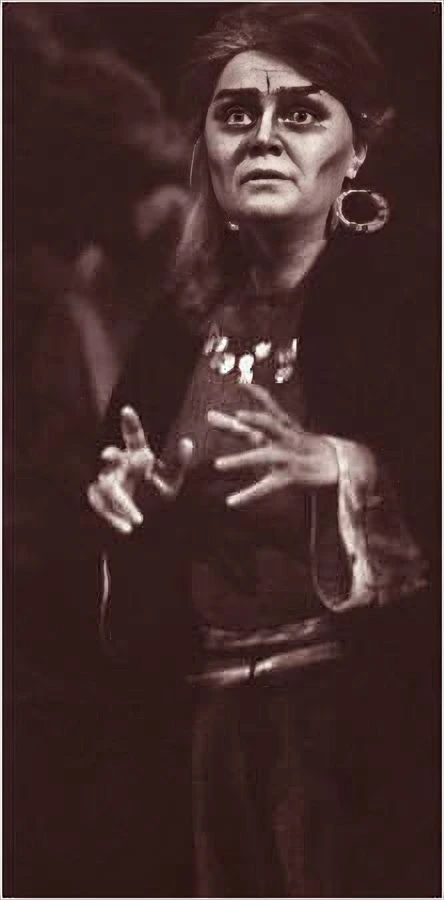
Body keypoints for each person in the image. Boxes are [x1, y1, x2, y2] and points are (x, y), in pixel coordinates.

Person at [87, 5, 430, 896]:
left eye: (302, 114)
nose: (264, 137)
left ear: (358, 151)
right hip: (201, 728)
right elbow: (125, 501)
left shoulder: (411, 310)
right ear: (206, 149)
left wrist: (345, 469)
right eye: (237, 115)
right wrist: (131, 500)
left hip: (361, 732)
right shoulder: (178, 328)